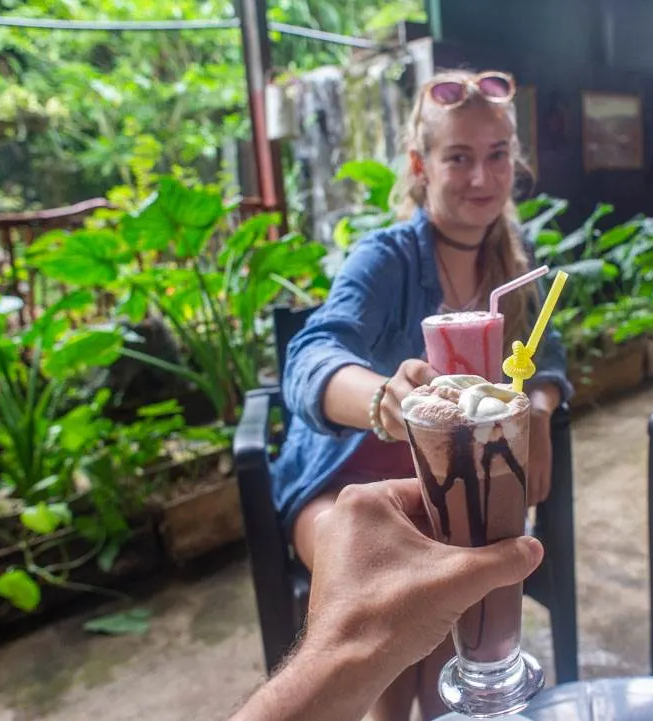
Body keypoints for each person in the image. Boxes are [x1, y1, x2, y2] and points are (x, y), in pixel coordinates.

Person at [272, 68, 573, 720]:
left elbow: (546, 357)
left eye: (496, 156)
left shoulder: (513, 262)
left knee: (463, 587)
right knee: (399, 600)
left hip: (453, 484)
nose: (480, 178)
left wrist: (541, 410)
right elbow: (309, 355)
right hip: (341, 481)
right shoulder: (386, 259)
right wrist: (386, 398)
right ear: (420, 165)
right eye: (458, 157)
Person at [230, 478, 545, 721]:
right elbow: (306, 392)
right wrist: (382, 404)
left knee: (440, 588)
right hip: (333, 487)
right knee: (409, 601)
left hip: (442, 489)